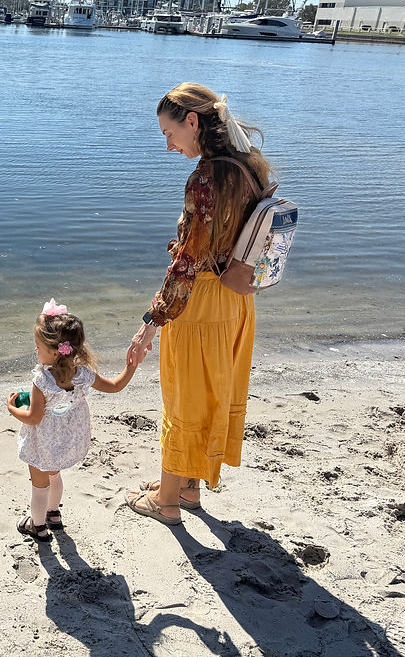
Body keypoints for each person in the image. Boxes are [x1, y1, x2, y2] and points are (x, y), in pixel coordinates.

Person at [124, 83, 276, 526]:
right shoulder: (249, 166)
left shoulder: (206, 179)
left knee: (184, 399)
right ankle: (188, 485)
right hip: (237, 302)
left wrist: (151, 321)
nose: (168, 146)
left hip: (202, 303)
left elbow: (187, 264)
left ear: (193, 122)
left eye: (169, 134)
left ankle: (168, 501)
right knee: (209, 396)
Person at [8, 298, 137, 542]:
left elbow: (34, 418)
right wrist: (130, 368)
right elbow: (115, 386)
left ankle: (38, 527)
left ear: (55, 352)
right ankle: (53, 514)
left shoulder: (42, 381)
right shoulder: (83, 375)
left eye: (38, 346)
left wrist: (12, 409)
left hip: (42, 442)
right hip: (65, 441)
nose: (36, 350)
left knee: (39, 485)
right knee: (54, 476)